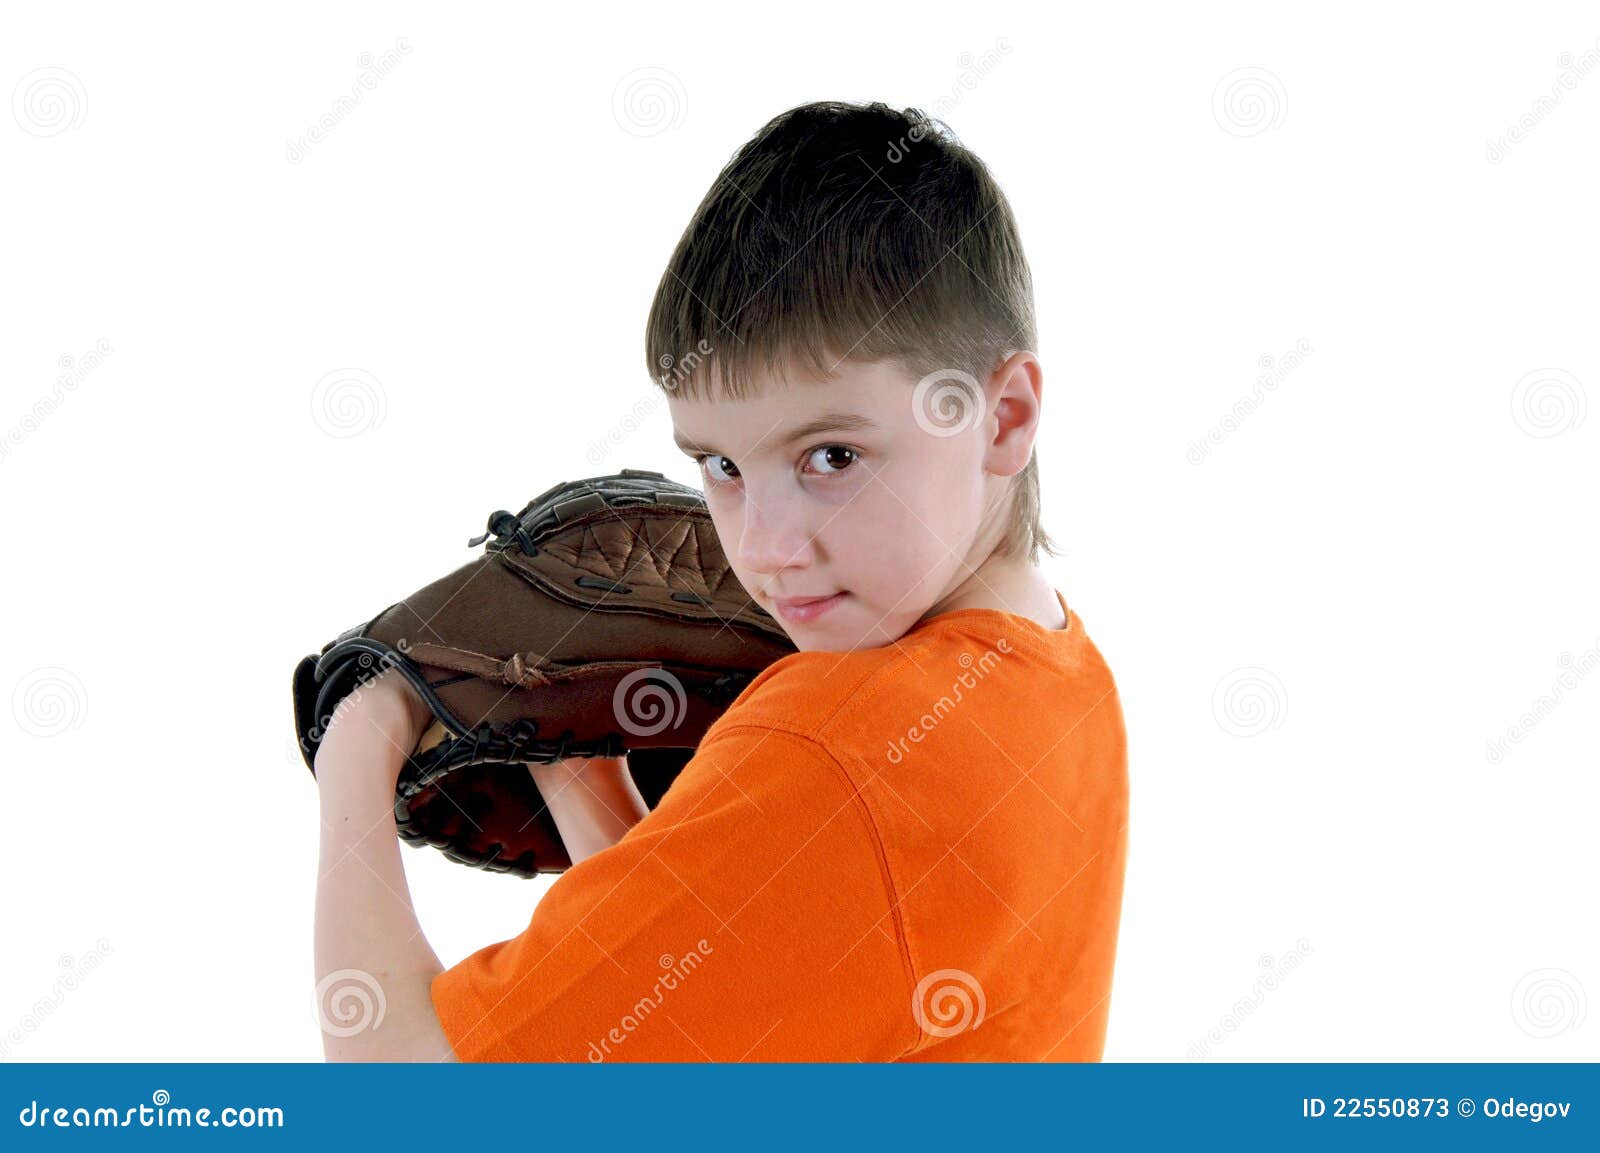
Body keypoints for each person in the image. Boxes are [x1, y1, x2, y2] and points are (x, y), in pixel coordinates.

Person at [313, 99, 1129, 1062]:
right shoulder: (1062, 673)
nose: (770, 547)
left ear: (1002, 417)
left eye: (830, 456)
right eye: (724, 467)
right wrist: (583, 776)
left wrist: (358, 740)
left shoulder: (840, 747)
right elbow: (719, 993)